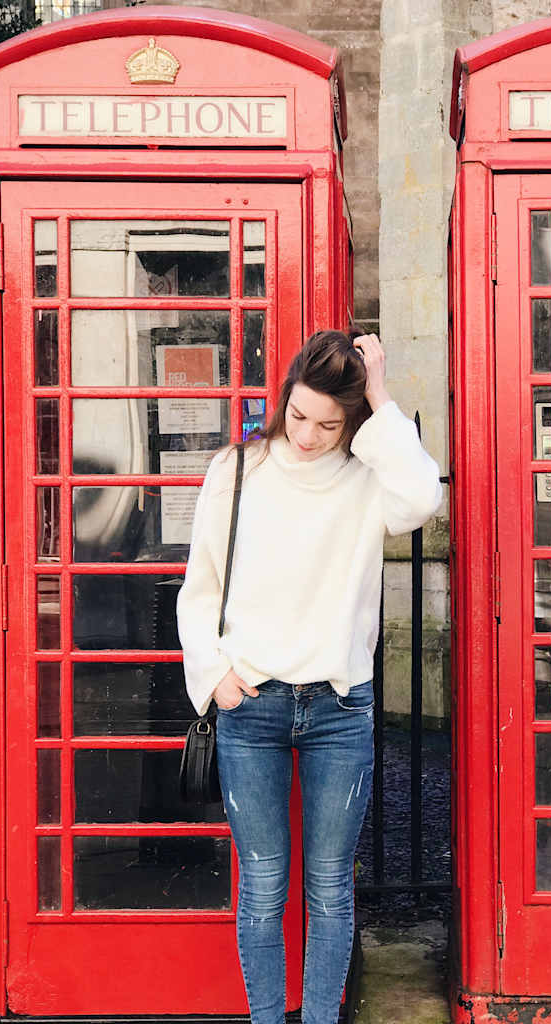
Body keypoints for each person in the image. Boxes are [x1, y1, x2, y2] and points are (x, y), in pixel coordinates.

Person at [177, 329, 442, 1024]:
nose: (309, 435)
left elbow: (422, 498)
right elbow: (198, 587)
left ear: (351, 421)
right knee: (263, 886)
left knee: (329, 888)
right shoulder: (236, 470)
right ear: (283, 398)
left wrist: (381, 398)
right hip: (252, 706)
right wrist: (214, 676)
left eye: (330, 423)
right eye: (298, 416)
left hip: (338, 708)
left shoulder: (365, 482)